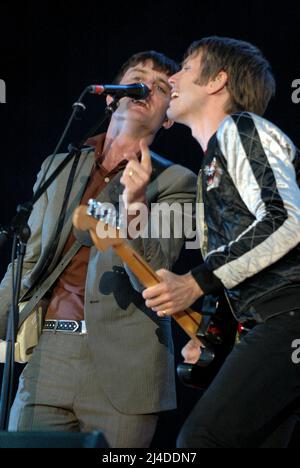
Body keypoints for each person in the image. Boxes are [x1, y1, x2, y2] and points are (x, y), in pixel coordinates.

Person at [0, 50, 198, 447]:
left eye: (160, 88)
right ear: (111, 97)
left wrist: (135, 202)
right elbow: (31, 258)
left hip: (126, 367)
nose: (146, 90)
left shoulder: (178, 180)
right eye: (137, 79)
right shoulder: (59, 165)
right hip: (49, 358)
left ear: (169, 115)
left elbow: (156, 273)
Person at [141, 37, 300, 447]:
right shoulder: (214, 160)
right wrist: (214, 331)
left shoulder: (242, 128)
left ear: (218, 81)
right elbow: (246, 259)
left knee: (201, 439)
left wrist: (194, 281)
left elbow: (285, 222)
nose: (172, 78)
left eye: (185, 68)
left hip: (288, 317)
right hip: (272, 320)